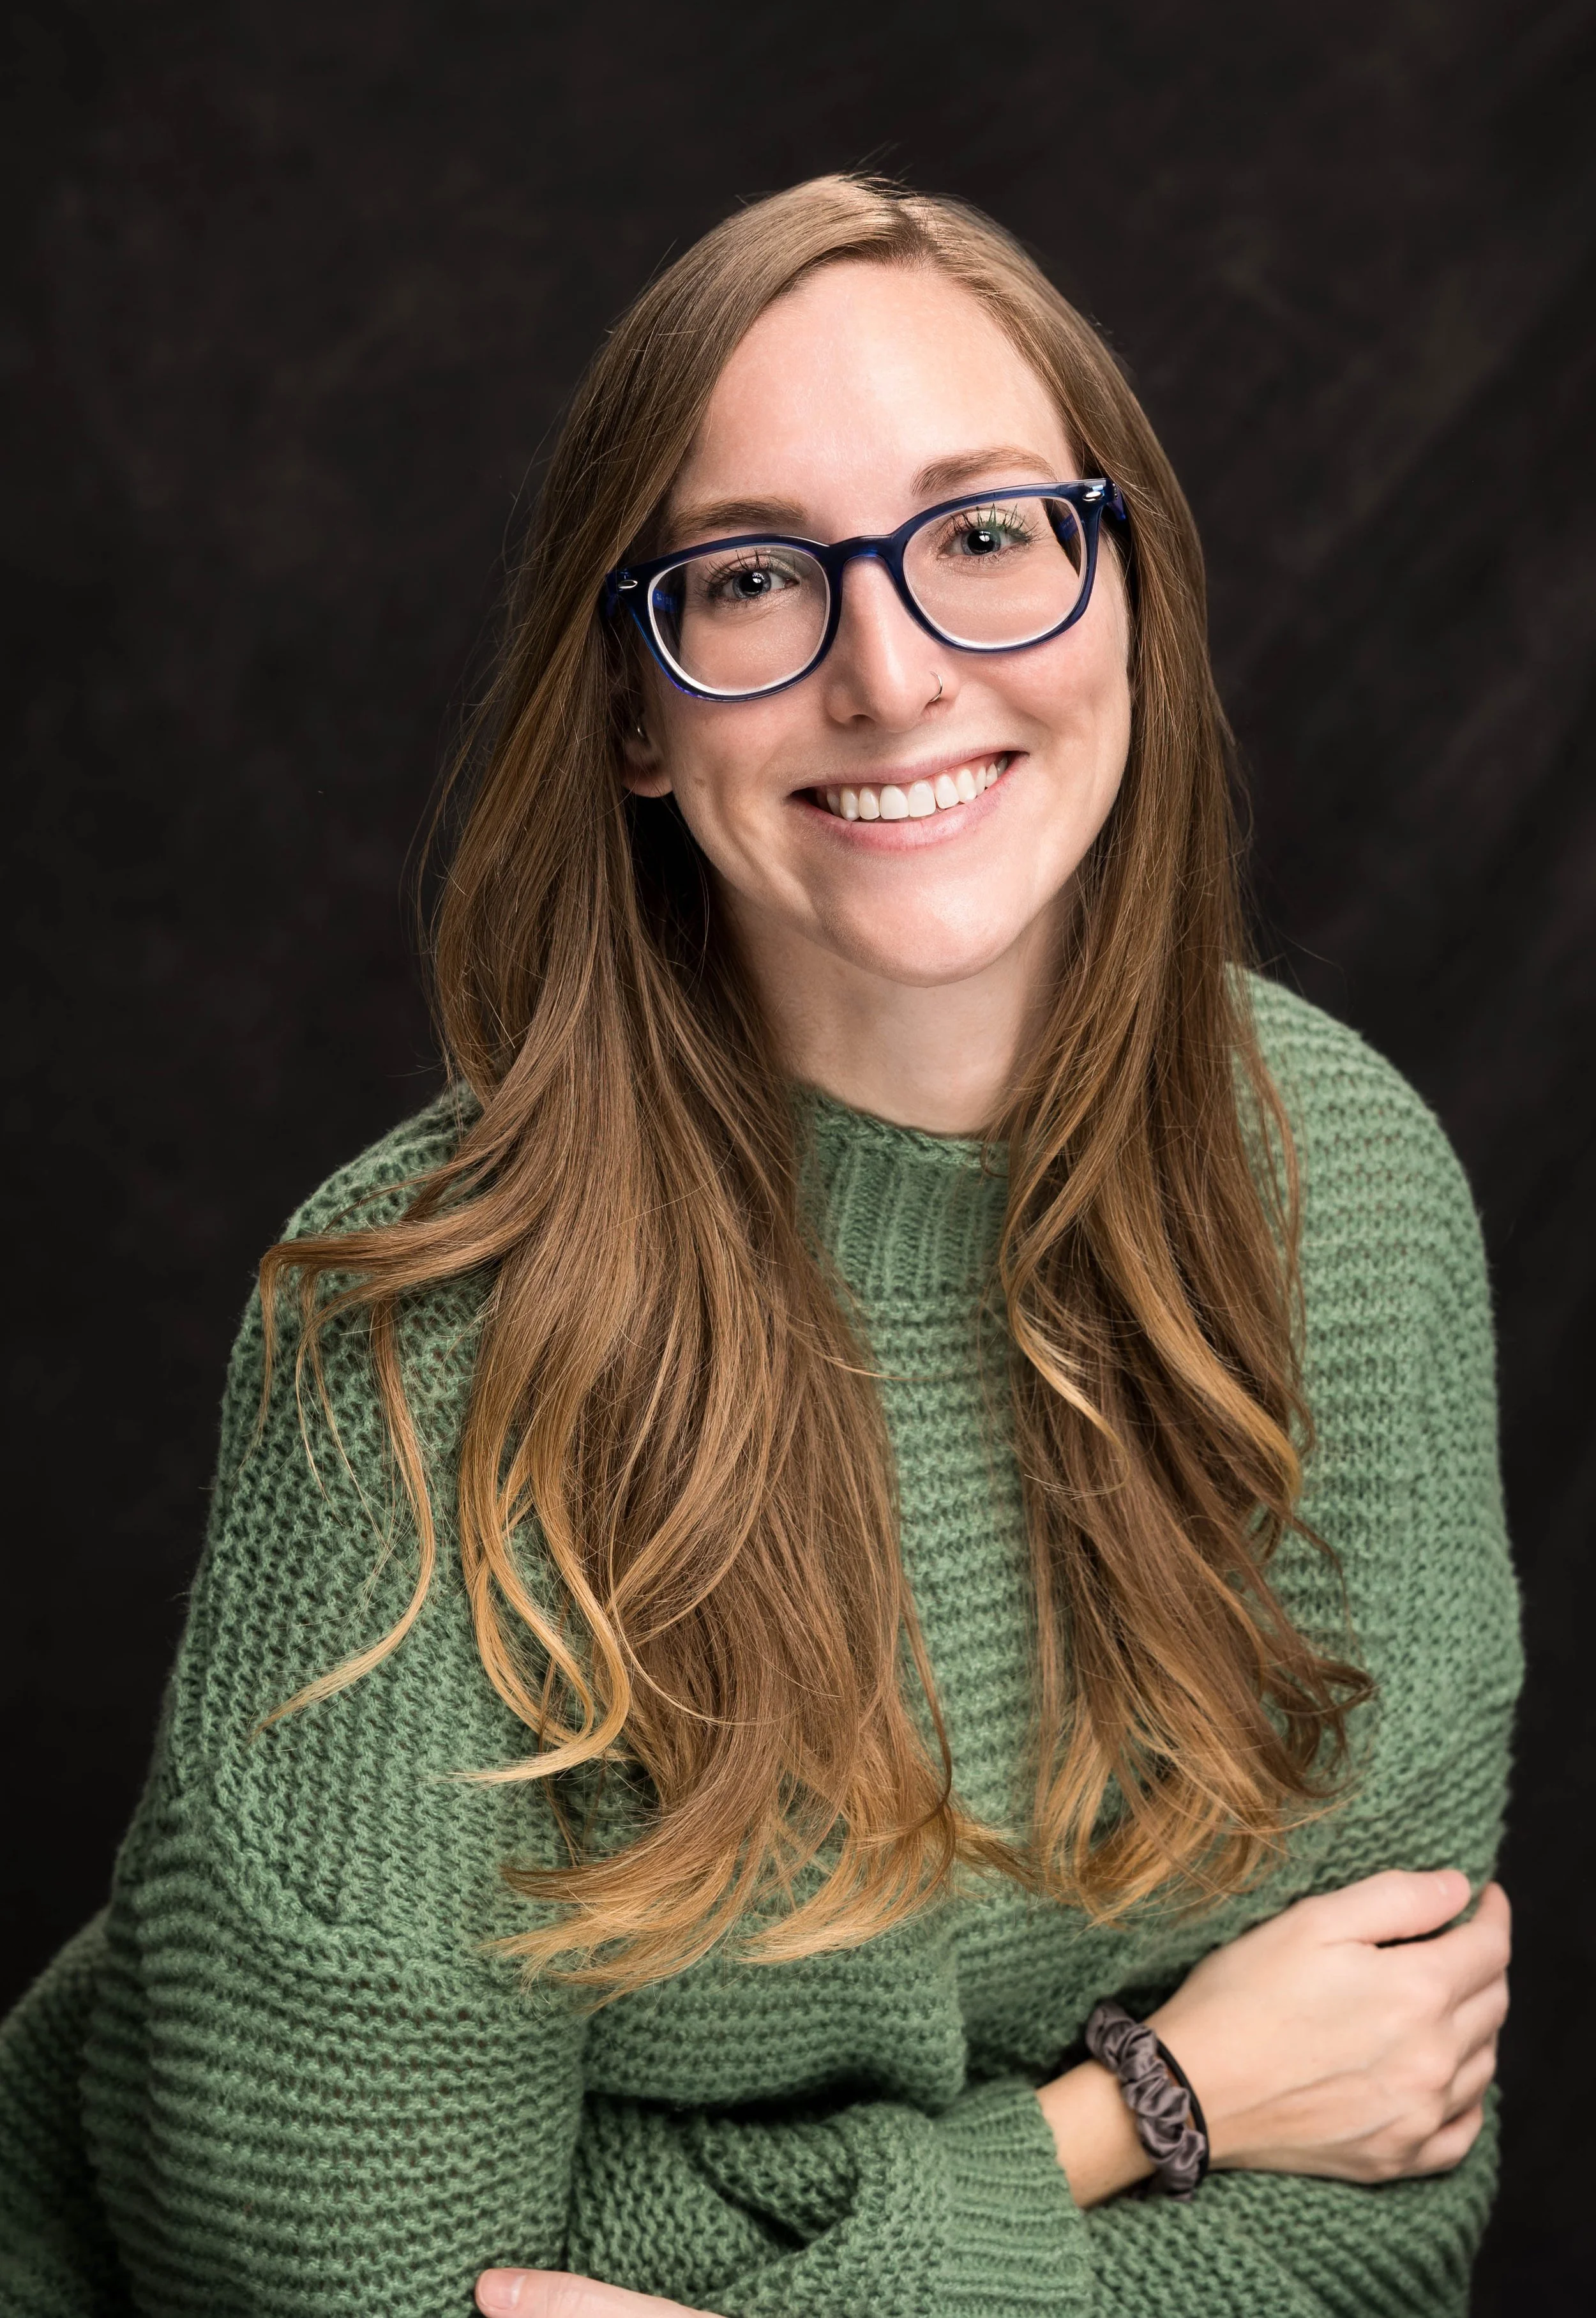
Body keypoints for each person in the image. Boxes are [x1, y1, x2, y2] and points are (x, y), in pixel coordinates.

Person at [0, 176, 1520, 2318]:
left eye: (986, 537)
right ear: (632, 708)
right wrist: (1136, 2112)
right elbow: (345, 2277)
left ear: (1132, 602)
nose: (891, 675)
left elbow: (1384, 2163)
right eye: (747, 580)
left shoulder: (1344, 1191)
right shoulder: (428, 1317)